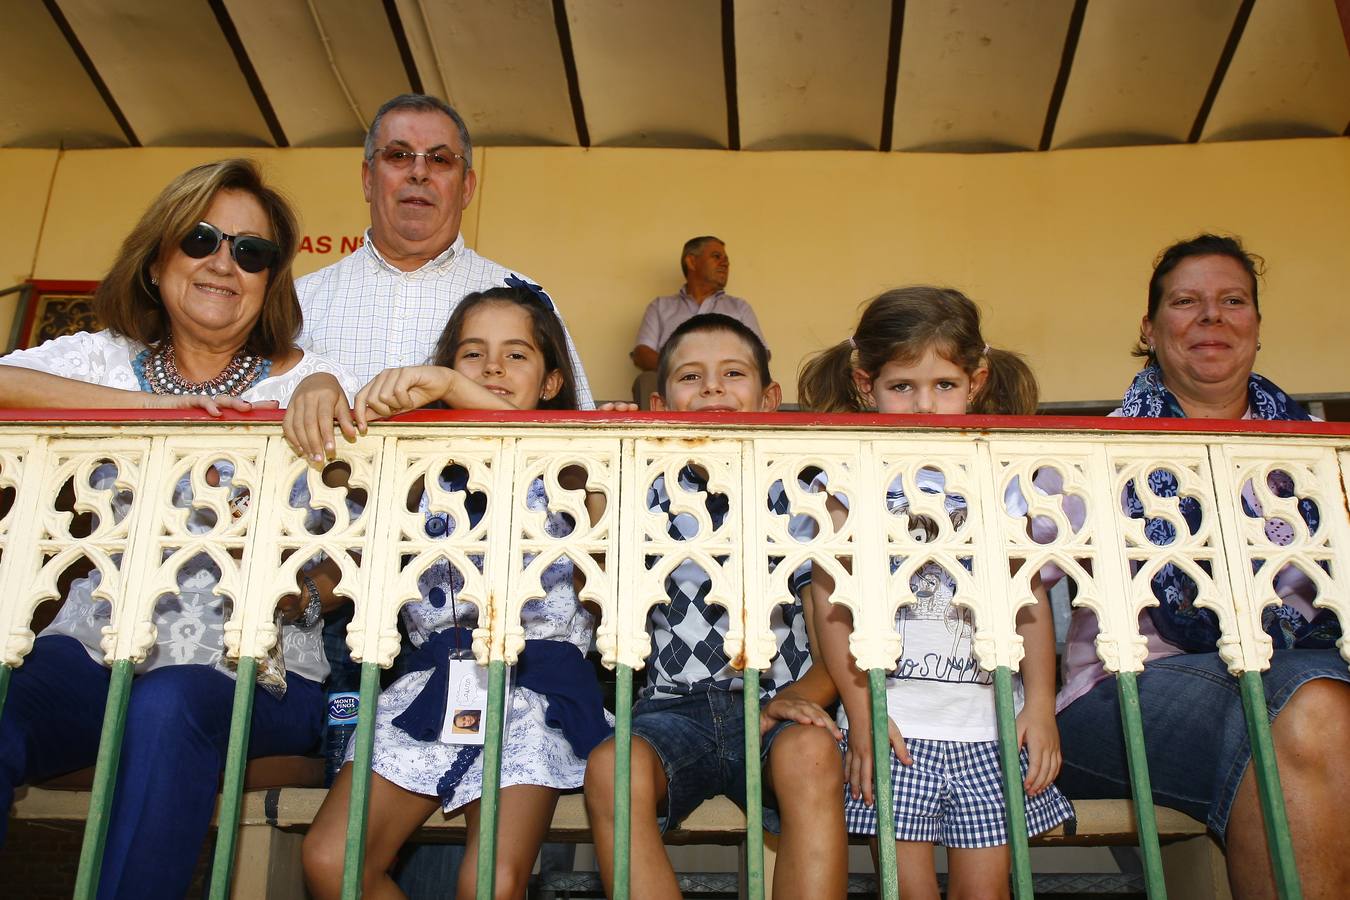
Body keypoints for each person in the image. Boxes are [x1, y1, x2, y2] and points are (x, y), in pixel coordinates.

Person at [0, 158, 360, 899]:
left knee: (169, 703)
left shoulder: (313, 380)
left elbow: (340, 562)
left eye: (250, 252)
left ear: (269, 280)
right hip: (93, 653)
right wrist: (141, 412)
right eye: (202, 240)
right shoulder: (99, 360)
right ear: (159, 256)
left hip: (254, 670)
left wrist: (323, 390)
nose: (224, 264)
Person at [1054, 234, 1350, 898]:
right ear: (1150, 329)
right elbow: (994, 573)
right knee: (1310, 704)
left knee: (1302, 711)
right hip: (1120, 697)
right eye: (1186, 302)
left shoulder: (1323, 459)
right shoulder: (1088, 455)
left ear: (1256, 326)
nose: (1211, 318)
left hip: (1296, 692)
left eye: (1232, 301)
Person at [302, 285, 611, 900]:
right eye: (472, 354)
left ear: (552, 383)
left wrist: (449, 385)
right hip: (432, 688)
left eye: (516, 355)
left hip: (535, 694)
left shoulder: (575, 463)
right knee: (331, 861)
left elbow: (526, 444)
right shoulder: (416, 474)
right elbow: (345, 522)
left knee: (489, 882)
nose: (493, 368)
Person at [798, 287, 1071, 899]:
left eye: (944, 384)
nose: (925, 403)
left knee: (988, 892)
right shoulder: (847, 481)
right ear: (866, 384)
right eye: (903, 386)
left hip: (990, 726)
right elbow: (831, 606)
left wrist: (1041, 704)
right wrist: (863, 711)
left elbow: (1027, 603)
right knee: (907, 891)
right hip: (895, 729)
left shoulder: (1000, 480)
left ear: (975, 382)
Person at [585, 314, 848, 900]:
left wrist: (798, 698)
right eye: (690, 376)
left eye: (733, 373)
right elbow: (604, 578)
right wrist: (605, 461)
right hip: (672, 712)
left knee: (812, 753)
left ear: (770, 397)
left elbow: (834, 635)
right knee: (612, 769)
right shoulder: (645, 489)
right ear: (659, 402)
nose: (711, 388)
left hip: (779, 703)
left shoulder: (803, 494)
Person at [284, 92, 593, 464]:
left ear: (466, 187)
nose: (419, 172)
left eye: (440, 159)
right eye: (398, 156)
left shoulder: (520, 298)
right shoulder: (301, 300)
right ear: (368, 178)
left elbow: (580, 445)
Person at [629, 237, 763, 407]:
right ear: (691, 262)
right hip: (678, 383)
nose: (725, 264)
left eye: (727, 260)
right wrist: (681, 370)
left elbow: (761, 354)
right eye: (716, 256)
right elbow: (642, 353)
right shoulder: (660, 306)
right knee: (647, 380)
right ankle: (656, 434)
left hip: (728, 381)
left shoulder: (739, 307)